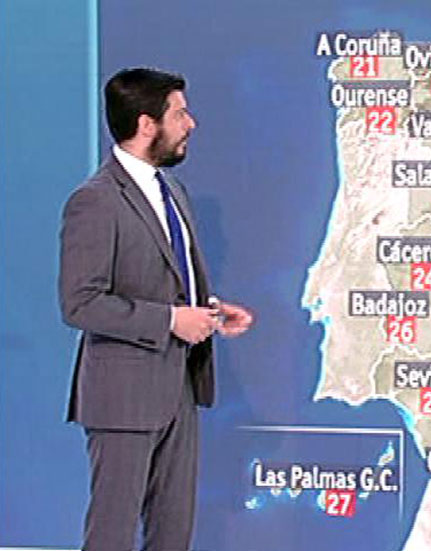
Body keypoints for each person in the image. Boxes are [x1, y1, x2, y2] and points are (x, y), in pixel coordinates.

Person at [58, 67, 253, 551]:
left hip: (178, 391)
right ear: (147, 124)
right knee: (112, 534)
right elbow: (80, 303)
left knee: (173, 533)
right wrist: (170, 321)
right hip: (123, 398)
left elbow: (165, 278)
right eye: (180, 114)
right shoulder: (95, 201)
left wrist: (209, 311)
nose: (191, 124)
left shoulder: (172, 191)